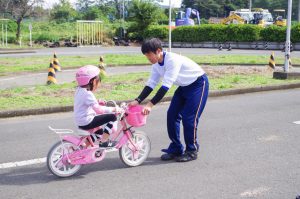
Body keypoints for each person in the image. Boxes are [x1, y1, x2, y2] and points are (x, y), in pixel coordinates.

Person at [129, 38, 209, 162]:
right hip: (183, 86)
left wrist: (150, 105)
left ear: (158, 51)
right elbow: (151, 83)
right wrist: (138, 100)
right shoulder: (156, 64)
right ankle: (176, 148)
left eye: (149, 55)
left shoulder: (172, 60)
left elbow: (166, 85)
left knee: (189, 118)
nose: (148, 58)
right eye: (146, 56)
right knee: (172, 115)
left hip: (198, 84)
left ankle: (192, 150)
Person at [74, 65, 120, 148]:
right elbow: (99, 110)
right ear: (93, 81)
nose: (99, 84)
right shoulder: (88, 94)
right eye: (98, 81)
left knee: (99, 132)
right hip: (87, 121)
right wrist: (114, 109)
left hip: (80, 120)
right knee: (112, 117)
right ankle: (104, 142)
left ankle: (82, 148)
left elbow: (84, 103)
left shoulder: (79, 90)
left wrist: (97, 102)